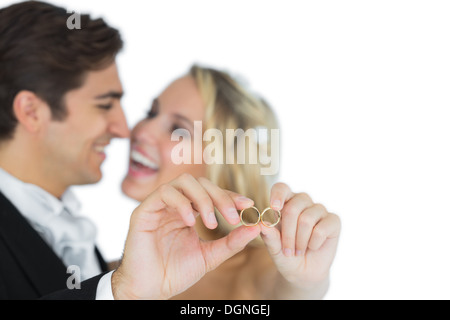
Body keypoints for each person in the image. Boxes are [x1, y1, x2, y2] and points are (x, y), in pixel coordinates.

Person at [0, 1, 261, 300]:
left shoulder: (76, 237)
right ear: (31, 112)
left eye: (179, 129)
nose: (126, 131)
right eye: (105, 104)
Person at [120, 65, 342, 299]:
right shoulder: (114, 274)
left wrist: (304, 285)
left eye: (178, 129)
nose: (141, 131)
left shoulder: (259, 269)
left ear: (224, 162)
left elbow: (285, 290)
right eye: (151, 113)